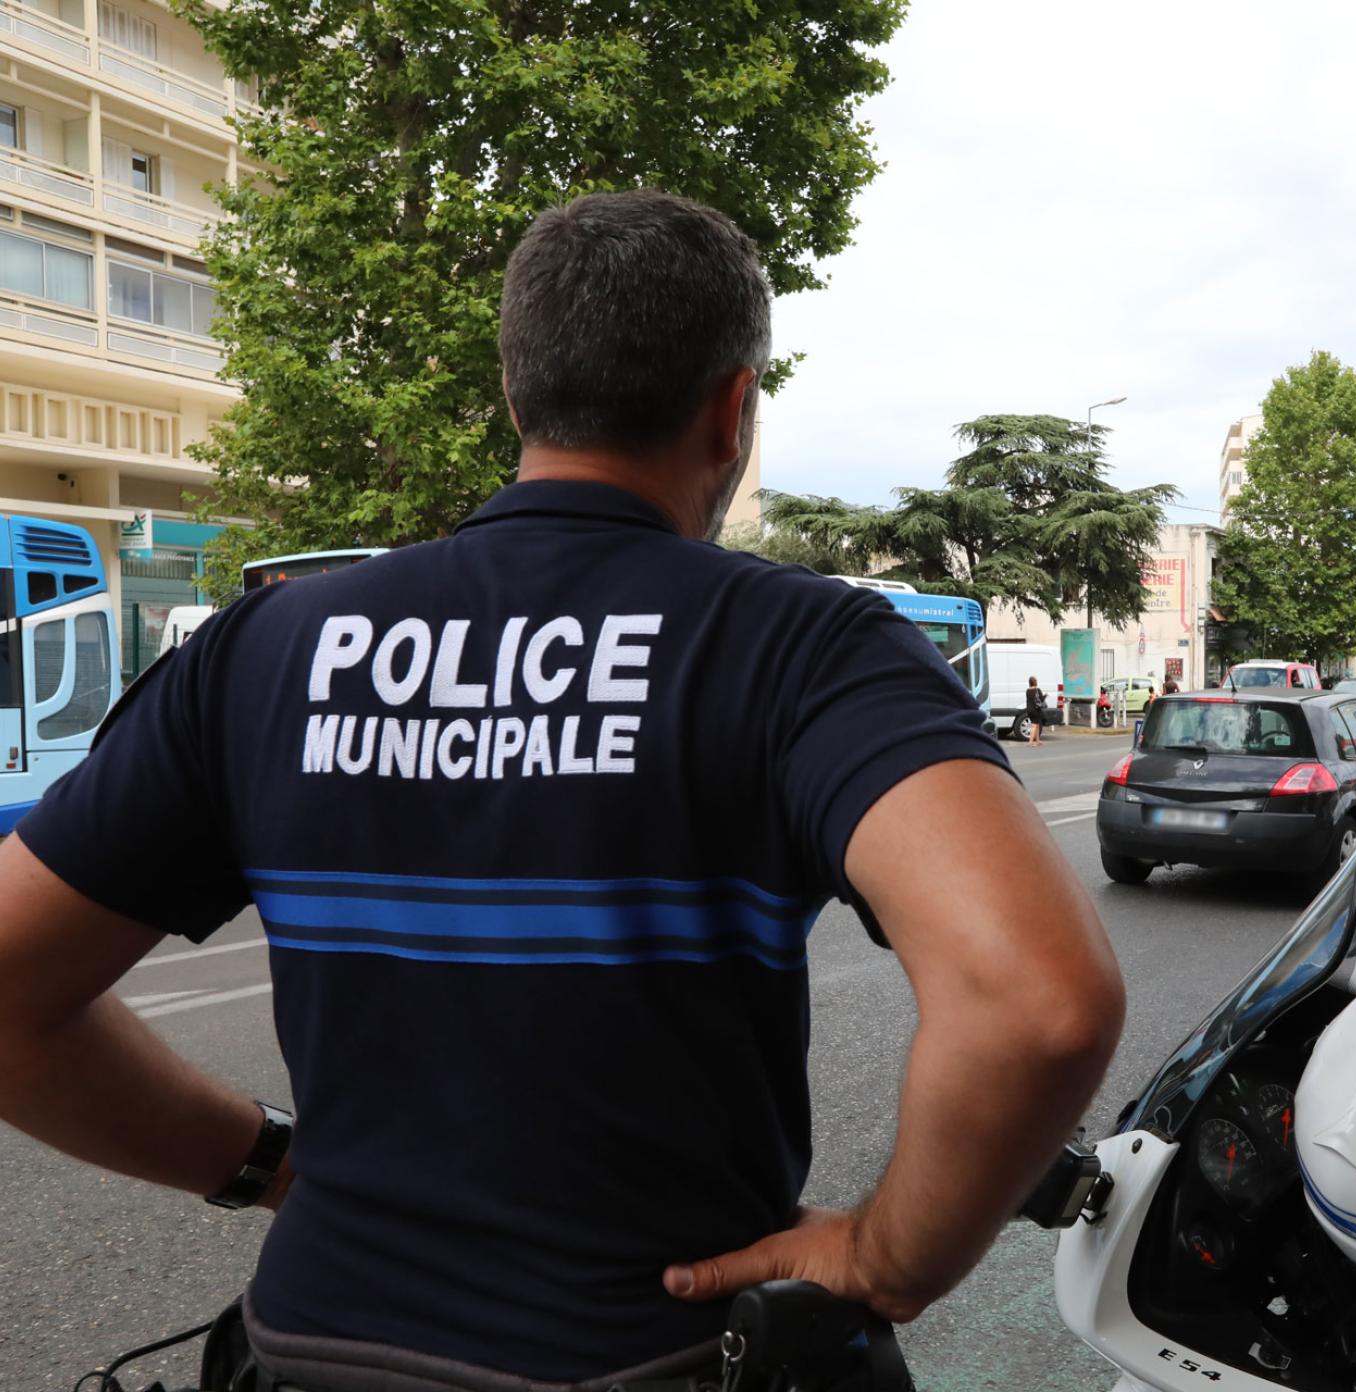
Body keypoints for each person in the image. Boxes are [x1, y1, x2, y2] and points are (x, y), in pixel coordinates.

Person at [0, 192, 1125, 1387]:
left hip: (314, 1347)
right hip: (659, 1354)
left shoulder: (263, 649)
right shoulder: (798, 649)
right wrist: (887, 1259)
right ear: (731, 406)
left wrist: (262, 1165)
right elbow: (1031, 998)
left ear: (517, 393)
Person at [1025, 674, 1047, 745]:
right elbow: (1041, 699)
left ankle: (1037, 740)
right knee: (1034, 725)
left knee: (1037, 724)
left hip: (1029, 709)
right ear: (1035, 682)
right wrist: (1045, 695)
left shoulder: (1027, 690)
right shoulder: (1037, 690)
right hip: (1036, 710)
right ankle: (1030, 742)